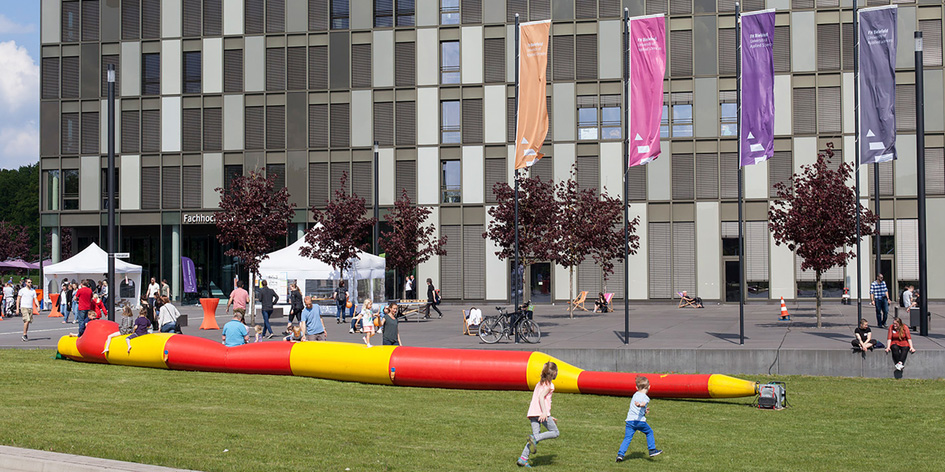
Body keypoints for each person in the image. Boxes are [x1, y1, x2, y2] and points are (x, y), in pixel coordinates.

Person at [517, 362, 560, 468]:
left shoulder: (539, 383)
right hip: (541, 413)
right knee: (555, 432)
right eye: (556, 372)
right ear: (553, 373)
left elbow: (539, 400)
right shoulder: (550, 385)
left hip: (533, 413)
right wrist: (545, 413)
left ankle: (523, 458)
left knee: (535, 439)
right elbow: (541, 397)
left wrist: (549, 415)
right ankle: (535, 438)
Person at [615, 376, 662, 461]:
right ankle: (652, 450)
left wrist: (643, 410)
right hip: (639, 422)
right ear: (649, 387)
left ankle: (620, 455)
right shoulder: (646, 397)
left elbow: (637, 408)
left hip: (629, 421)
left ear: (636, 387)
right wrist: (641, 406)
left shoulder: (635, 395)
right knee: (649, 432)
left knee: (627, 438)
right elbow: (643, 404)